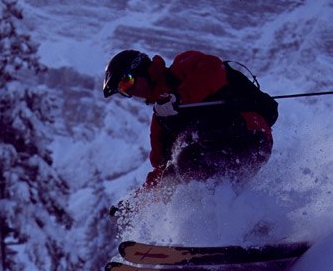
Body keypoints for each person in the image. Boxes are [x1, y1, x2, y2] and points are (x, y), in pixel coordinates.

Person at [103, 49, 276, 198]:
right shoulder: (161, 121)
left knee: (188, 149)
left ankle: (226, 214)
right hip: (220, 155)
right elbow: (161, 170)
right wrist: (134, 203)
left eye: (127, 82)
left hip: (250, 132)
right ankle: (242, 225)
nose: (131, 92)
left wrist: (179, 97)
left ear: (139, 68)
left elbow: (213, 68)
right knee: (171, 177)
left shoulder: (181, 68)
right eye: (124, 90)